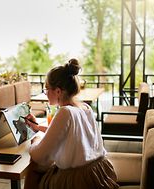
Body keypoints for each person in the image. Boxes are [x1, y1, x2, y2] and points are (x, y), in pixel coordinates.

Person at [24, 58, 119, 189]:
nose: (45, 93)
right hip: (99, 172)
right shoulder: (85, 108)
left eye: (46, 89)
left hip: (78, 180)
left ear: (58, 91)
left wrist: (36, 140)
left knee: (34, 168)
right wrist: (38, 127)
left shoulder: (65, 112)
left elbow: (39, 155)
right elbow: (69, 134)